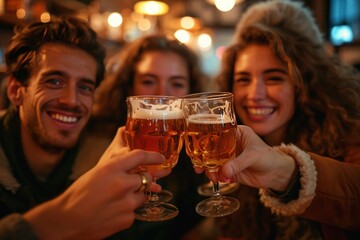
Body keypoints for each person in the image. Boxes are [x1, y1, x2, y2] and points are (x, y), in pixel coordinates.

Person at [0, 16, 170, 239]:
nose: (71, 100)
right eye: (54, 81)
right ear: (15, 90)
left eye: (85, 87)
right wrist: (64, 220)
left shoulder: (104, 155)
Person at [212, 0, 360, 239]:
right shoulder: (230, 151)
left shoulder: (347, 138)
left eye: (273, 78)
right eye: (243, 80)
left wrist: (287, 172)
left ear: (302, 84)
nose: (254, 95)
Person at [82, 34, 209, 240]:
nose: (163, 97)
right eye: (149, 81)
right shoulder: (97, 144)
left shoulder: (195, 151)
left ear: (190, 91)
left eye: (176, 84)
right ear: (129, 86)